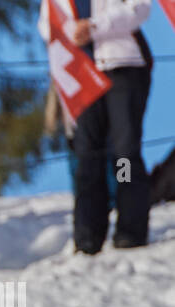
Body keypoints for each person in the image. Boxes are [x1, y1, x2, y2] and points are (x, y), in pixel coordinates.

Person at [38, 0, 152, 254]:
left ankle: (130, 230)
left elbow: (141, 7)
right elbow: (47, 25)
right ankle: (87, 235)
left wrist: (94, 26)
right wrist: (72, 32)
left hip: (124, 66)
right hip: (80, 72)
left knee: (124, 153)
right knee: (87, 155)